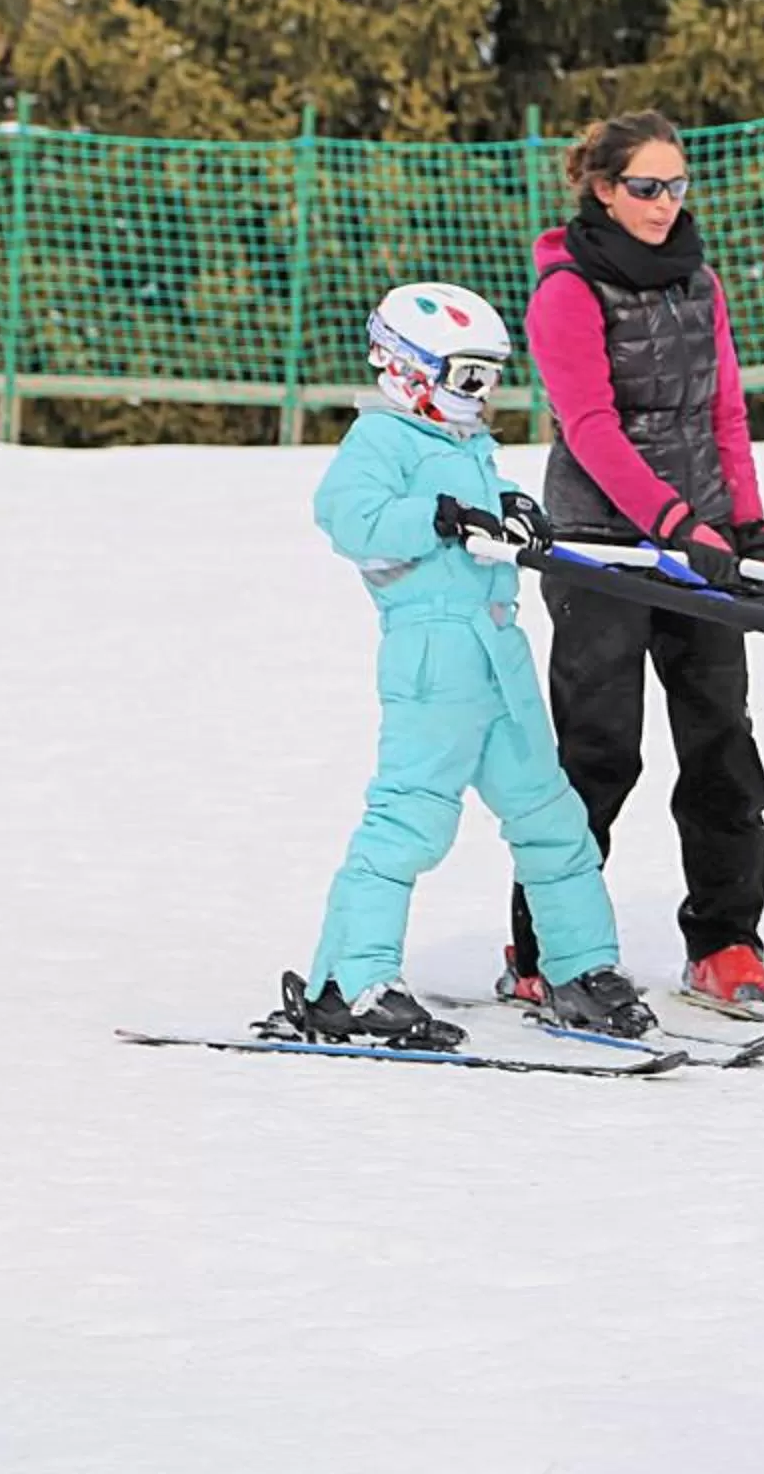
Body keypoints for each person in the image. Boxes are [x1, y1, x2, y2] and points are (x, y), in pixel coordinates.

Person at [272, 282, 656, 1048]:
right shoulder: (381, 440)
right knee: (411, 820)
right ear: (406, 368)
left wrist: (513, 505)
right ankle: (349, 982)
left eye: (489, 378)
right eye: (466, 377)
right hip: (433, 652)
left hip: (498, 651)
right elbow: (347, 517)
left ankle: (580, 970)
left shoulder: (465, 445)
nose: (479, 397)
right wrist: (440, 515)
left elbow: (485, 499)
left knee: (552, 819)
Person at [502, 111, 764, 1009]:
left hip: (698, 547)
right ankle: (545, 952)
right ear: (601, 187)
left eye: (676, 186)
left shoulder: (700, 283)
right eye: (645, 188)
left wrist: (743, 519)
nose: (664, 205)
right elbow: (589, 429)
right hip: (601, 547)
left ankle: (726, 945)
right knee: (598, 754)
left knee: (721, 746)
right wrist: (669, 522)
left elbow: (724, 413)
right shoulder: (567, 293)